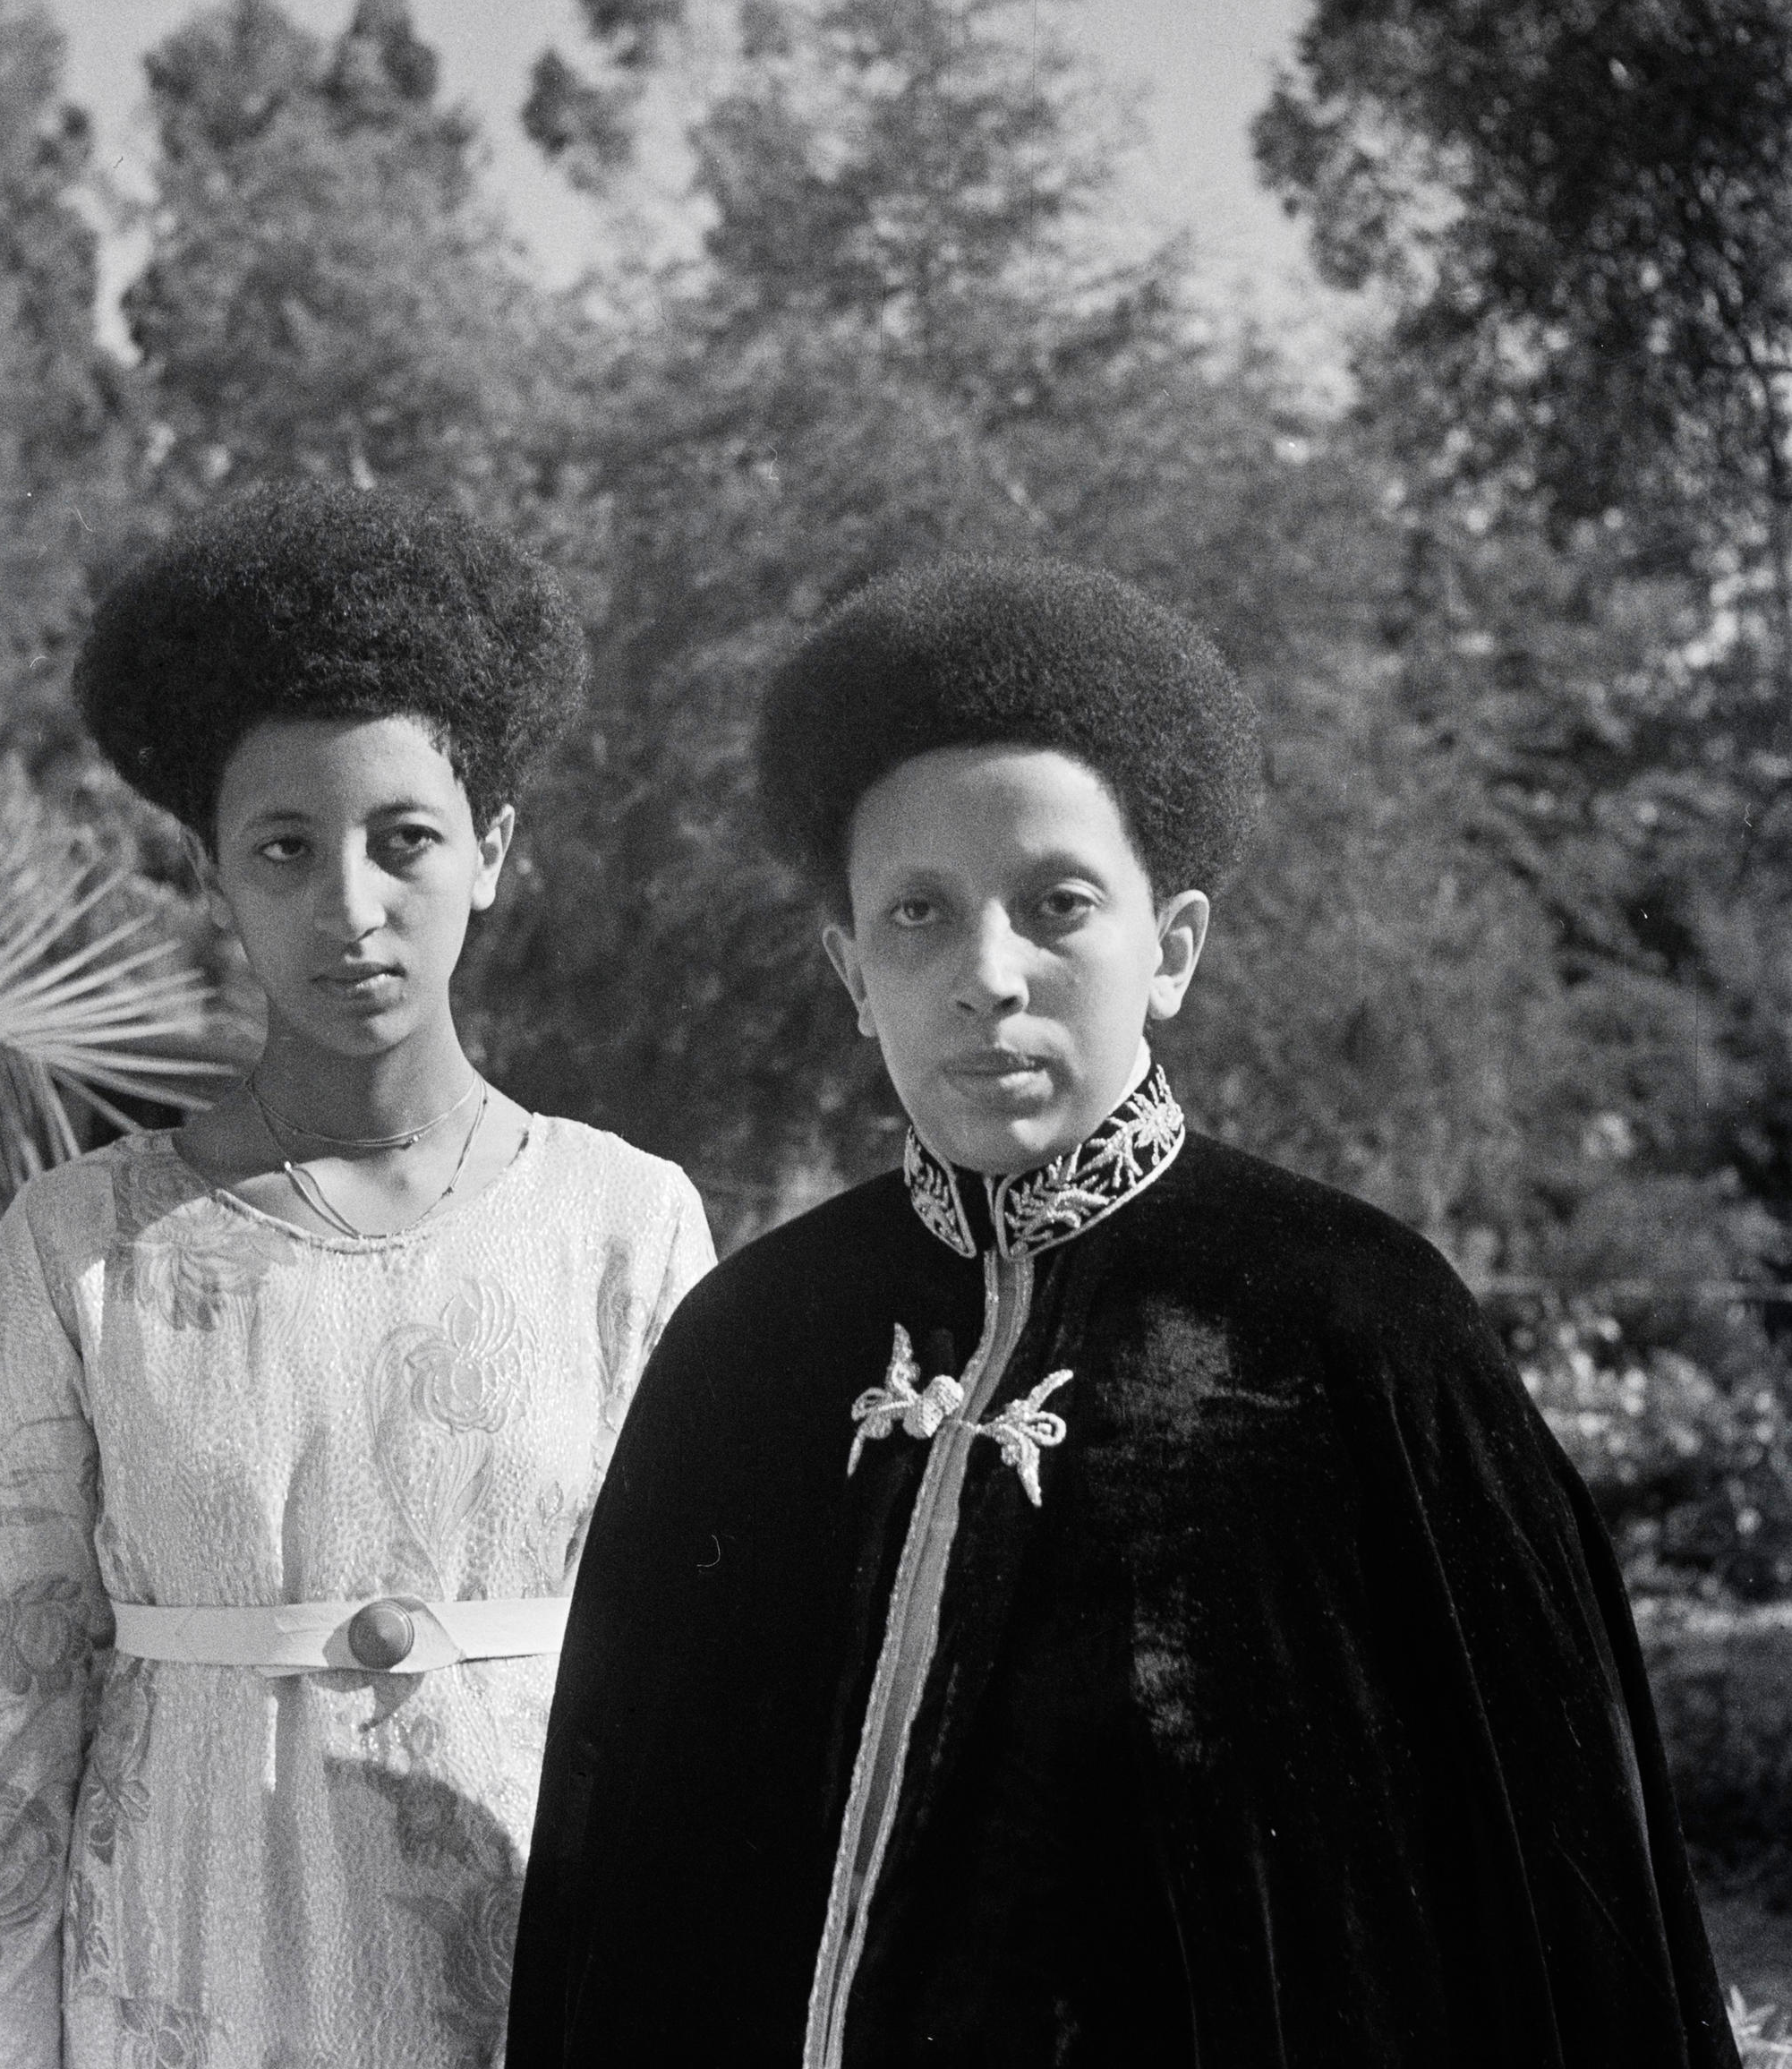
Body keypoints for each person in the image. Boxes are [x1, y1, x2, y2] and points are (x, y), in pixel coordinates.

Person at [504, 555, 1737, 2068]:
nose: (987, 976)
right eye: (918, 915)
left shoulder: (1355, 1324)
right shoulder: (746, 1347)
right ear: (847, 970)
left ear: (1173, 947)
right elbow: (614, 1898)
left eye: (1057, 904)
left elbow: (1561, 1886)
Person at [0, 483, 713, 2069]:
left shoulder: (623, 1226)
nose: (348, 907)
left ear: (491, 852)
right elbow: (5, 1707)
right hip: (182, 1972)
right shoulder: (80, 1246)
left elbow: (698, 1697)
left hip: (531, 1961)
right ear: (216, 872)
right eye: (285, 849)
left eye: (405, 840)